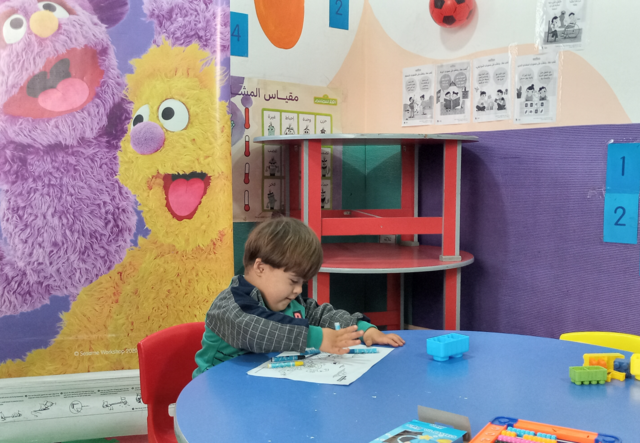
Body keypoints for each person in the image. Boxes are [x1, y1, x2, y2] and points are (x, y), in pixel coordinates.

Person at [193, 217, 405, 377]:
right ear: (260, 267)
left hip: (263, 391)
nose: (298, 291)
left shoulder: (290, 302)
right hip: (219, 395)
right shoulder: (231, 305)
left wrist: (362, 329)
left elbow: (319, 315)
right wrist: (317, 337)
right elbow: (256, 329)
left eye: (302, 284)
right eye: (293, 281)